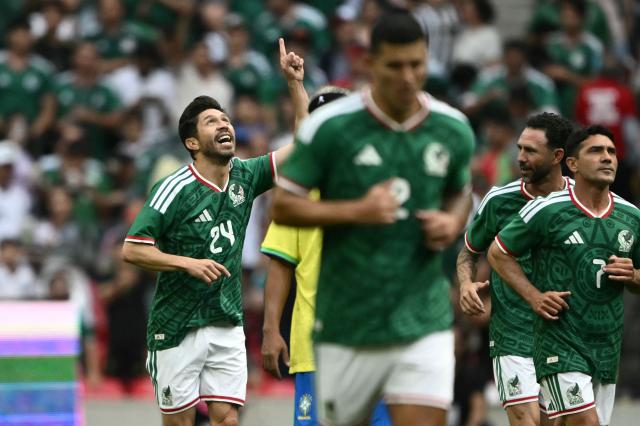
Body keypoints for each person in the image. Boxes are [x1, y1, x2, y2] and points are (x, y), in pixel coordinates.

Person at [271, 11, 475, 426]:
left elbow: (461, 192)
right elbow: (283, 206)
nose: (407, 76)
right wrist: (357, 211)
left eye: (416, 64)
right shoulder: (331, 129)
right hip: (347, 323)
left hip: (423, 317)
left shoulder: (453, 129)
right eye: (394, 65)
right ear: (370, 63)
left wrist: (452, 223)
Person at [121, 38, 305, 425]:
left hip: (226, 321)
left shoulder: (245, 174)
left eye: (225, 120)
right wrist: (186, 263)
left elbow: (305, 147)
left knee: (227, 420)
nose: (224, 124)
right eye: (211, 121)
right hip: (176, 327)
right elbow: (133, 249)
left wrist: (294, 85)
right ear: (192, 142)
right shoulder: (174, 188)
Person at [487, 125, 640, 425]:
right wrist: (533, 296)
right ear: (572, 164)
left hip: (606, 346)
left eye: (611, 152)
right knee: (585, 423)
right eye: (596, 151)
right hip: (559, 342)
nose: (607, 158)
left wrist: (633, 274)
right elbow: (498, 252)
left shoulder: (632, 217)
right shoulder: (547, 210)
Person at [260, 85, 391, 426]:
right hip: (314, 347)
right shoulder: (296, 194)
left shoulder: (380, 187)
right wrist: (271, 330)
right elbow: (280, 264)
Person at [457, 112, 574, 425]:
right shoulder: (499, 201)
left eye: (530, 151)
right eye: (520, 148)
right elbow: (468, 252)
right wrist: (467, 284)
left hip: (564, 335)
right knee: (525, 420)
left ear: (558, 156)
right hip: (512, 334)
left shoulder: (580, 201)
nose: (520, 157)